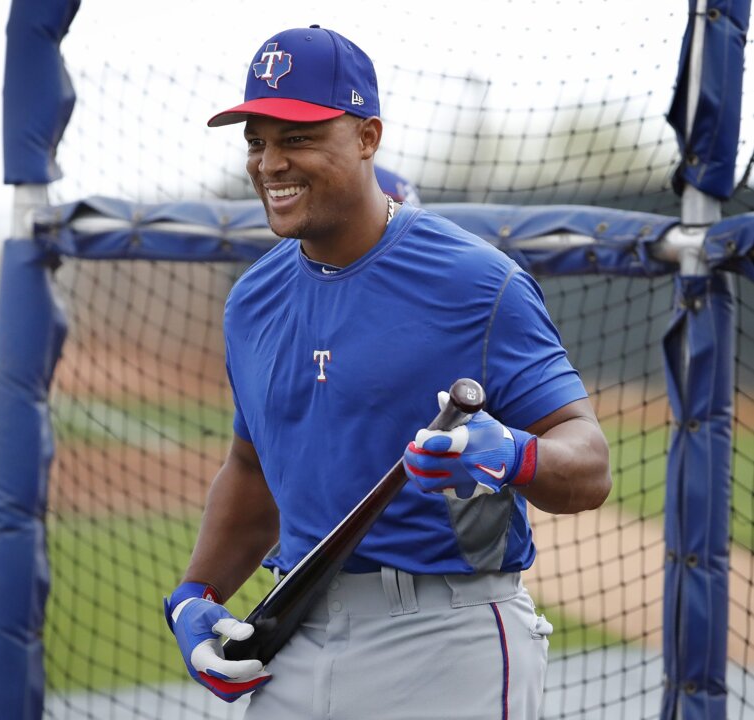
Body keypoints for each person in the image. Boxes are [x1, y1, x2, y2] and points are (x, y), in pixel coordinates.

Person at [164, 25, 610, 719]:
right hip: (294, 634)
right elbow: (252, 473)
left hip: (447, 637)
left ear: (367, 136)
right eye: (257, 141)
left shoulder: (478, 282)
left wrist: (512, 454)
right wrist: (195, 595)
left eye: (299, 137)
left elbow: (588, 465)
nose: (270, 163)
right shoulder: (252, 298)